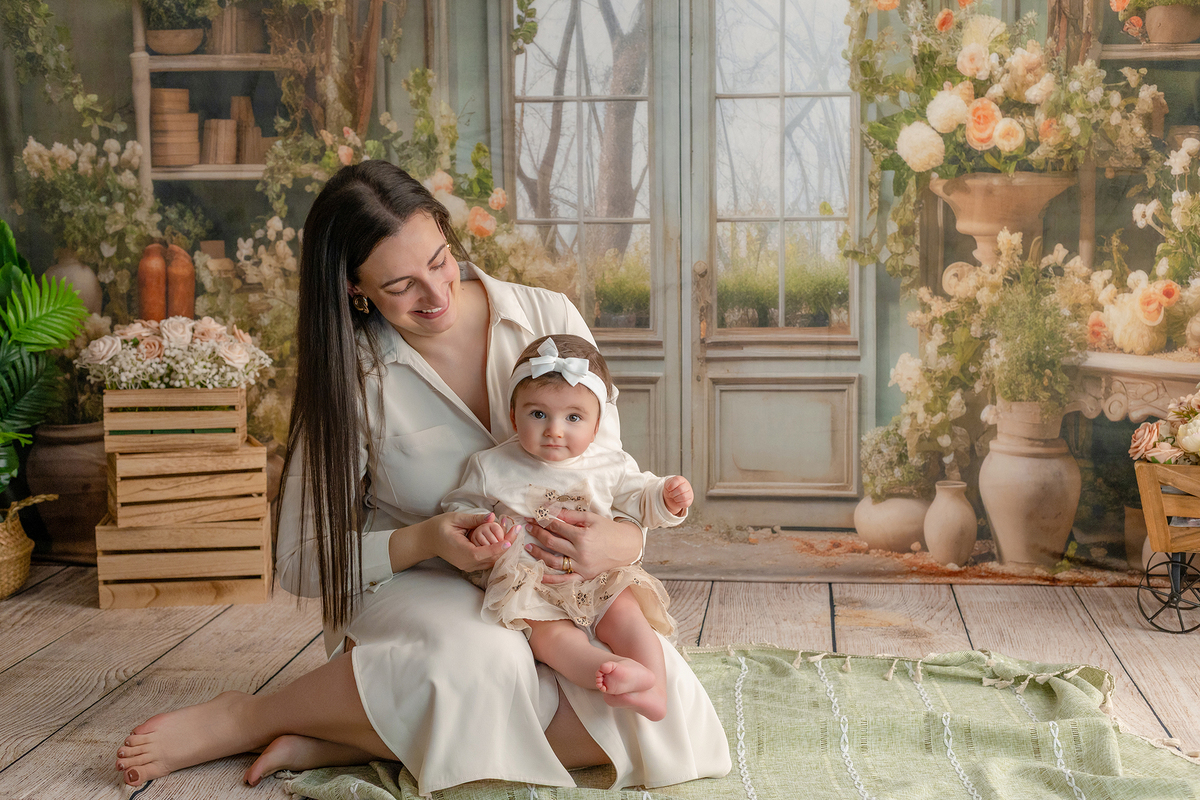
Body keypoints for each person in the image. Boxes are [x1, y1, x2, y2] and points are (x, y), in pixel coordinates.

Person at [112, 160, 731, 795]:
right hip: (420, 588)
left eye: (440, 261)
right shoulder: (350, 375)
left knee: (664, 712)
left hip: (563, 590)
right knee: (488, 659)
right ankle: (249, 715)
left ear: (447, 233)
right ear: (357, 290)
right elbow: (299, 561)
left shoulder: (548, 317)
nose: (436, 296)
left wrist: (619, 543)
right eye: (401, 285)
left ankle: (334, 737)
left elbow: (611, 481)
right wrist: (427, 539)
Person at [443, 334, 697, 722]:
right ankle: (605, 671)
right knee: (552, 637)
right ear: (514, 416)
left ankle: (655, 691)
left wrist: (667, 498)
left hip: (598, 574)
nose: (555, 430)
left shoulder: (609, 463)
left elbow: (641, 500)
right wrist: (481, 530)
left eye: (573, 417)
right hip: (529, 579)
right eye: (538, 414)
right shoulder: (491, 465)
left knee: (626, 615)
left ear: (596, 427)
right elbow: (460, 509)